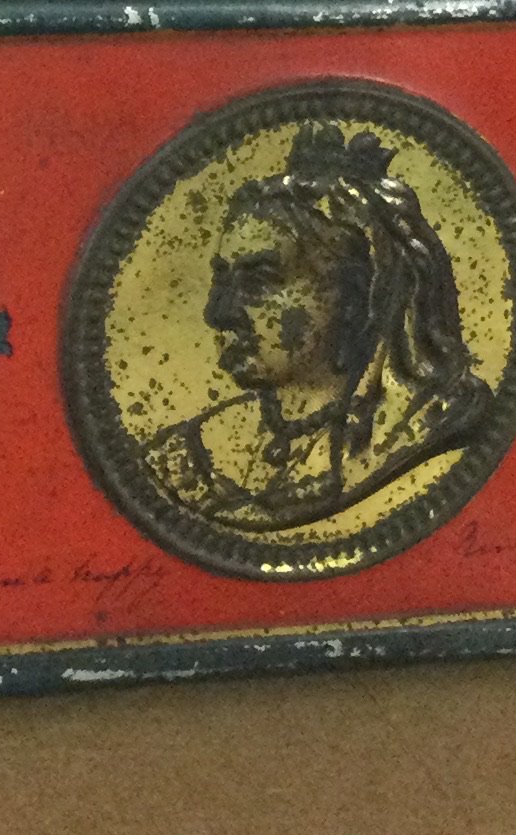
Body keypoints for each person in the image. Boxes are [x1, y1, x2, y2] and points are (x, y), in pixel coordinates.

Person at [144, 122, 494, 531]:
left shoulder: (423, 429)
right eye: (223, 279)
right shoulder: (190, 454)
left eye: (259, 281)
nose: (218, 313)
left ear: (358, 296)